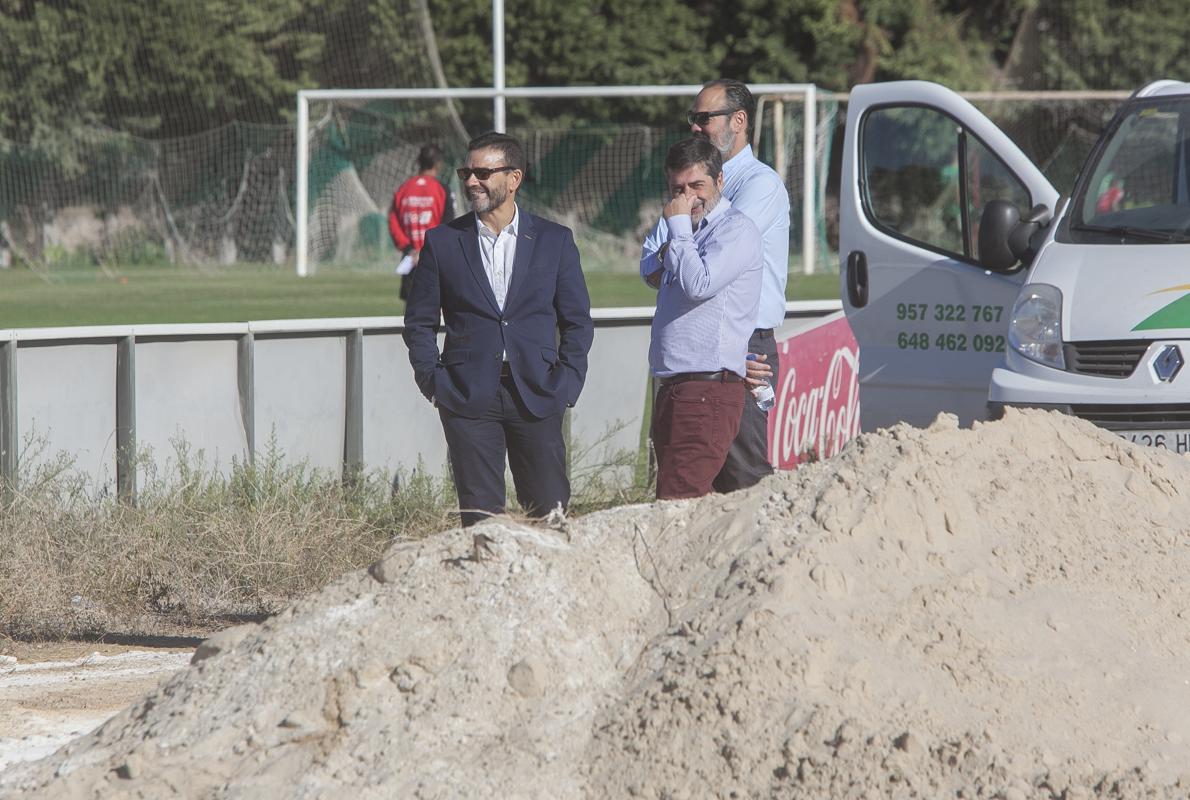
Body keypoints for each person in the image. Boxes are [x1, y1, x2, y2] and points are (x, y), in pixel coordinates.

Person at [402, 131, 594, 527]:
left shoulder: (554, 241)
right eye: (467, 172)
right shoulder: (442, 242)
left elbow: (576, 321)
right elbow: (419, 322)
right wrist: (434, 381)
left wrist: (567, 384)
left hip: (538, 393)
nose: (472, 181)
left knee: (550, 513)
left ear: (514, 179)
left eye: (483, 172)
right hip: (468, 397)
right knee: (481, 522)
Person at [641, 79, 791, 493]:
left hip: (743, 346)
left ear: (738, 121)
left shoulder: (760, 186)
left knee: (740, 478)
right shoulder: (691, 177)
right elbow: (650, 266)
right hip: (694, 354)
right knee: (688, 481)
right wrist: (678, 240)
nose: (694, 127)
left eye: (703, 118)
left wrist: (677, 238)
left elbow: (704, 274)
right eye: (692, 118)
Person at [648, 137, 763, 499]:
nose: (688, 197)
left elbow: (699, 285)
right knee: (688, 503)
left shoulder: (735, 229)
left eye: (697, 185)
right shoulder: (684, 229)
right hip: (677, 387)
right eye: (677, 189)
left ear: (720, 182)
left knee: (677, 502)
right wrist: (677, 237)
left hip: (706, 389)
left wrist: (678, 230)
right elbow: (649, 271)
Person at [390, 143, 454, 301]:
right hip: (435, 257)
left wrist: (409, 248)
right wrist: (425, 250)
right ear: (439, 164)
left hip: (410, 259)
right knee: (438, 308)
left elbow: (393, 222)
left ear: (418, 161)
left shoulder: (403, 188)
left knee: (412, 314)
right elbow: (447, 225)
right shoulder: (442, 189)